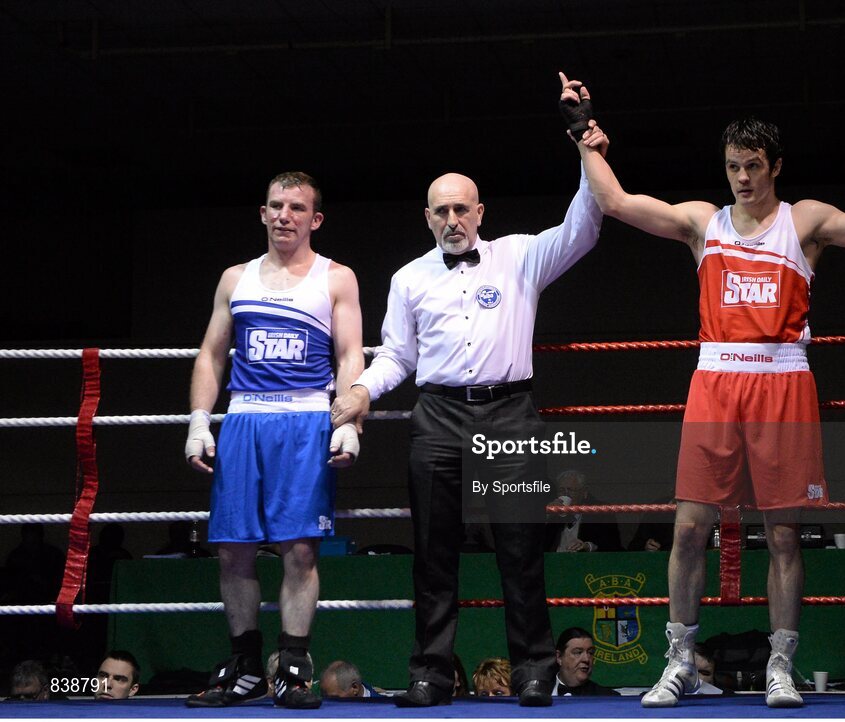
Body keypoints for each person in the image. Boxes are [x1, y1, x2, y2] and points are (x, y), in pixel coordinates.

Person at [560, 71, 845, 709]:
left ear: (775, 166)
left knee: (783, 535)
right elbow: (616, 202)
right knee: (688, 528)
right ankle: (678, 663)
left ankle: (781, 666)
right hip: (714, 382)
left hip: (783, 384)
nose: (742, 178)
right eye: (733, 167)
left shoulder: (803, 221)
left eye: (753, 166)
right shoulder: (705, 223)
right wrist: (583, 136)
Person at [331, 92, 606, 707]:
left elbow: (585, 224)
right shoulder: (408, 278)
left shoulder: (519, 256)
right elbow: (398, 355)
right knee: (432, 555)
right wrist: (359, 389)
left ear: (480, 211)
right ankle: (430, 673)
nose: (452, 218)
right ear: (426, 217)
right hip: (439, 417)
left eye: (461, 208)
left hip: (510, 413)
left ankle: (536, 671)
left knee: (520, 551)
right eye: (441, 211)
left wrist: (584, 139)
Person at [183, 171, 364, 709]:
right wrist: (198, 420)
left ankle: (291, 667)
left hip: (307, 420)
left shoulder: (337, 278)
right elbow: (212, 355)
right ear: (263, 213)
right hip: (243, 420)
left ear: (315, 219)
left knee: (301, 550)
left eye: (297, 207)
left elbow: (350, 355)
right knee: (232, 550)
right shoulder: (234, 279)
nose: (285, 215)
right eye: (276, 205)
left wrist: (350, 421)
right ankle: (243, 666)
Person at [547, 469, 623, 552]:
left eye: (570, 490)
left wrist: (588, 546)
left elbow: (612, 544)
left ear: (584, 492)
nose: (565, 494)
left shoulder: (601, 511)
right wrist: (547, 515)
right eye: (561, 490)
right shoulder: (553, 514)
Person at [552, 627, 620, 696]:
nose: (586, 659)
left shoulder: (609, 697)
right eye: (578, 652)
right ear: (559, 657)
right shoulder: (542, 691)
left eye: (590, 653)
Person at [319, 660, 385, 699]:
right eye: (324, 696)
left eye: (334, 698)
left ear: (355, 688)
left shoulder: (384, 713)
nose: (327, 703)